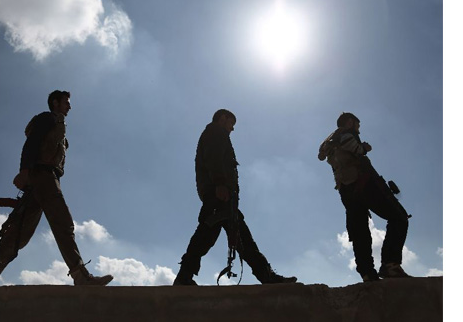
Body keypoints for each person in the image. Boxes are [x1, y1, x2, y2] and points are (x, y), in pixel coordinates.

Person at [0, 90, 113, 286]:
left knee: (19, 233)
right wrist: (24, 171)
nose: (69, 106)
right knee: (62, 223)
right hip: (43, 177)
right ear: (55, 103)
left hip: (42, 178)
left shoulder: (58, 126)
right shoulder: (48, 119)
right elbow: (32, 143)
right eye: (66, 102)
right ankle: (80, 276)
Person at [173, 109, 297, 285]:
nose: (232, 128)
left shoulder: (214, 134)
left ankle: (184, 276)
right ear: (223, 119)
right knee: (218, 238)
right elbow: (214, 159)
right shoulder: (216, 132)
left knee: (223, 238)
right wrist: (220, 184)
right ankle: (267, 277)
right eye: (231, 123)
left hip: (220, 197)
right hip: (219, 196)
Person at [318, 112, 412, 282]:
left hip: (346, 191)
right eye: (357, 125)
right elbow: (357, 149)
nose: (359, 130)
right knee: (399, 218)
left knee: (360, 231)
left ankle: (367, 272)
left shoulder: (330, 143)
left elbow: (321, 156)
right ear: (349, 122)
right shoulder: (346, 135)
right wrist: (365, 148)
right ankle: (390, 265)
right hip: (364, 183)